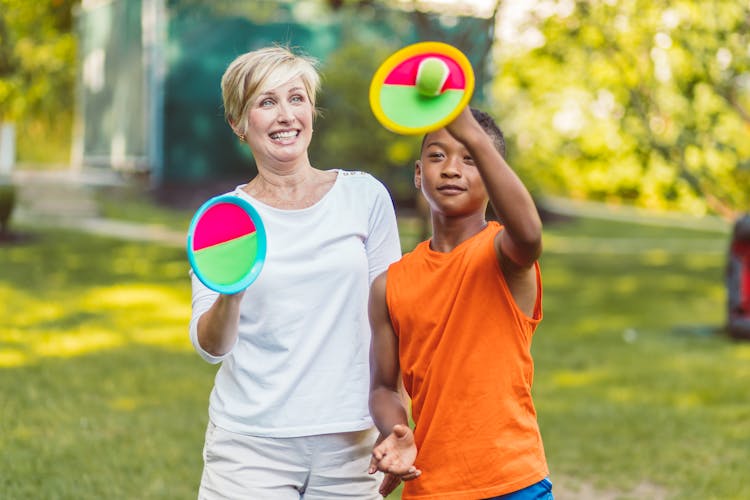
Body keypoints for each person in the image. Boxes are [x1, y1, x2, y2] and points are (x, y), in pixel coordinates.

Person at [189, 45, 402, 499]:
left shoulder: (364, 198)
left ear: (311, 109)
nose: (286, 115)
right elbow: (211, 348)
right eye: (266, 102)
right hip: (249, 447)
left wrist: (396, 423)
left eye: (296, 98)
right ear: (239, 124)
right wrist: (232, 290)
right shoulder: (226, 219)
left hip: (352, 443)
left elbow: (396, 318)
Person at [368, 106, 553, 499]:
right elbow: (383, 388)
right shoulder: (390, 284)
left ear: (492, 174)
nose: (451, 169)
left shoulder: (504, 256)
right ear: (418, 173)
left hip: (513, 481)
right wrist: (396, 429)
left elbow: (530, 234)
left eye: (470, 158)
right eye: (437, 156)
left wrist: (473, 133)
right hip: (429, 485)